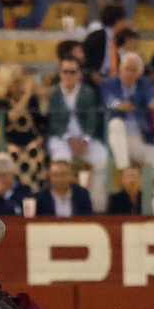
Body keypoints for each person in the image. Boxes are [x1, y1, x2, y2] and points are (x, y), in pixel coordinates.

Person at [47, 57, 109, 210]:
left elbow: (92, 120)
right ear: (60, 73)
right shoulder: (53, 94)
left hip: (84, 138)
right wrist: (69, 139)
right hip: (61, 138)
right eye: (65, 72)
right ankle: (62, 206)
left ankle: (96, 205)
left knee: (102, 157)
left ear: (79, 74)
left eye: (72, 72)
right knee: (61, 161)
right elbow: (54, 123)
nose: (68, 75)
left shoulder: (88, 93)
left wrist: (85, 139)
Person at [103, 53, 154, 175]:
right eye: (127, 69)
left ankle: (138, 187)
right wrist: (119, 105)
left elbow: (151, 96)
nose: (129, 73)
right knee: (116, 123)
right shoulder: (109, 83)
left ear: (139, 73)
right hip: (115, 137)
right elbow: (108, 99)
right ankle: (125, 168)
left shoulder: (145, 83)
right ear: (120, 69)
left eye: (133, 70)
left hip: (137, 135)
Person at [0, 67, 46, 193]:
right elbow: (10, 118)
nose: (19, 86)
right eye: (16, 82)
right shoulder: (0, 101)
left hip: (31, 143)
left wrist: (43, 100)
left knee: (34, 154)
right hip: (10, 143)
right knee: (13, 156)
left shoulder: (32, 100)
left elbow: (41, 121)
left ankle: (34, 193)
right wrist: (27, 95)